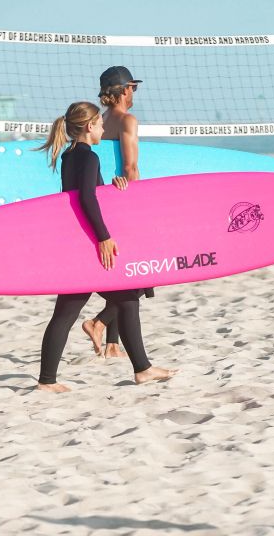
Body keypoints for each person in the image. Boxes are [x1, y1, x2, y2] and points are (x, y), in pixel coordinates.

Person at [34, 101, 175, 392]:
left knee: (77, 310)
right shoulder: (89, 158)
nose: (103, 128)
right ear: (89, 127)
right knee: (123, 299)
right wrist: (103, 237)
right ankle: (142, 369)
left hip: (76, 241)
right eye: (100, 124)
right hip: (89, 244)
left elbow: (82, 195)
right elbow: (86, 200)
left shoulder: (70, 156)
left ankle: (48, 380)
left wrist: (112, 188)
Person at [80, 66, 152, 358]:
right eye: (133, 87)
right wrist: (138, 203)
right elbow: (130, 167)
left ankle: (112, 344)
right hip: (124, 196)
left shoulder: (102, 120)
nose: (134, 92)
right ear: (124, 90)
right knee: (138, 275)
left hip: (104, 197)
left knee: (119, 270)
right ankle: (98, 322)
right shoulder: (127, 120)